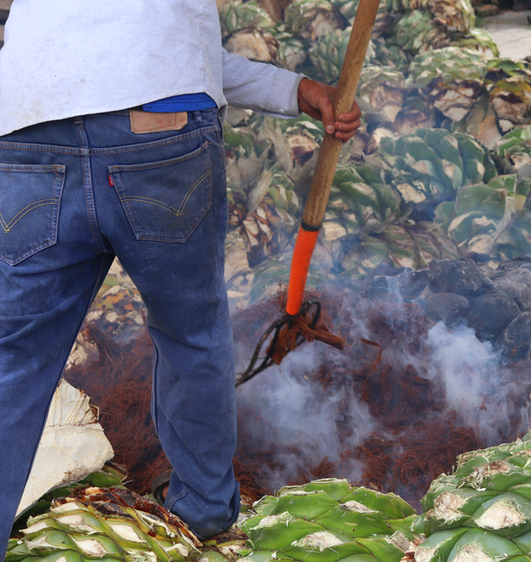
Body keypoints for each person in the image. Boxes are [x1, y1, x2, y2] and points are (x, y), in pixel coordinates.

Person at [0, 0, 362, 550]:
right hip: (158, 130)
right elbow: (169, 55)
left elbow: (152, 49)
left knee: (14, 360)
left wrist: (295, 90)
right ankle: (204, 515)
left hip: (28, 124)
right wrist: (295, 88)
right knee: (190, 333)